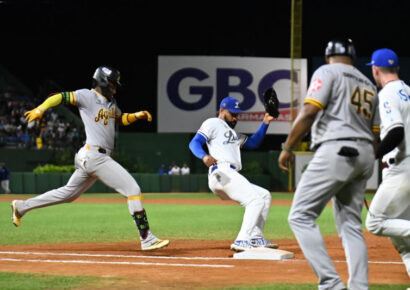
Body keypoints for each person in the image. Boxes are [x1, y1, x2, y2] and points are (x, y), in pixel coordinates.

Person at [11, 66, 169, 251]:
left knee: (68, 194)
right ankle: (147, 238)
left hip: (92, 157)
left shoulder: (111, 103)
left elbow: (119, 119)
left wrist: (136, 116)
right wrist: (41, 108)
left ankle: (21, 207)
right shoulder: (87, 96)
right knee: (132, 189)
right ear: (102, 82)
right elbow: (59, 96)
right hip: (95, 155)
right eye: (112, 85)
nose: (114, 89)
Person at [278, 38, 380, 290]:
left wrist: (288, 147)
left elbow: (309, 112)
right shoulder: (368, 83)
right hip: (366, 152)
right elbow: (376, 133)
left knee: (301, 216)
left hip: (337, 148)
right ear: (353, 58)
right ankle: (359, 287)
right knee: (351, 226)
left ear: (327, 56)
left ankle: (331, 284)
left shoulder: (327, 71)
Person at [189, 96, 278, 251]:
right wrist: (204, 156)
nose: (236, 117)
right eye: (233, 113)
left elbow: (254, 142)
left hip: (229, 174)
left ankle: (255, 237)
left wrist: (266, 122)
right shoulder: (213, 123)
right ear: (222, 110)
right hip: (221, 172)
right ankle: (242, 240)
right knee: (255, 201)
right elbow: (194, 142)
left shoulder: (232, 133)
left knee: (264, 195)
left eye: (237, 114)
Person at [364, 48, 410, 277]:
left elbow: (395, 133)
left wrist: (369, 155)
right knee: (403, 243)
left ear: (375, 70)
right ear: (397, 68)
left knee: (375, 223)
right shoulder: (408, 91)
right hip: (405, 168)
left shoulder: (387, 94)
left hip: (402, 168)